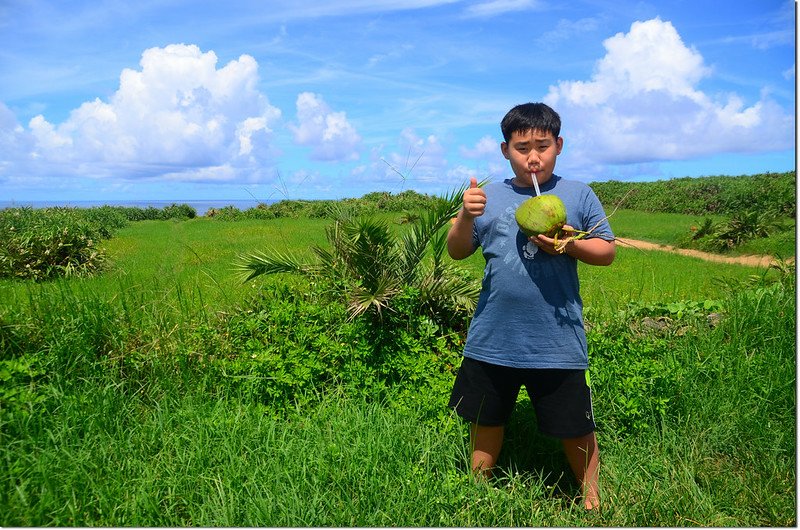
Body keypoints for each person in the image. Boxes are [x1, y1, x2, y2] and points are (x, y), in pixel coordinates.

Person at [446, 102, 615, 510]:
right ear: (506, 150)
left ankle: (592, 501)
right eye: (522, 148)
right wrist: (465, 217)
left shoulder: (577, 194)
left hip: (557, 338)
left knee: (575, 425)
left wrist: (567, 243)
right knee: (486, 419)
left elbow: (606, 251)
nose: (533, 156)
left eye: (543, 145)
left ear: (559, 145)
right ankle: (477, 493)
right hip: (493, 336)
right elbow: (456, 251)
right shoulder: (489, 197)